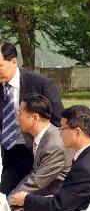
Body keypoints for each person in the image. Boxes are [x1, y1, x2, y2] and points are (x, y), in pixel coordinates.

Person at [0, 41, 64, 194]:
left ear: (13, 61)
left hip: (41, 154)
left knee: (29, 200)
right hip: (11, 152)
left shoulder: (40, 84)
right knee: (5, 201)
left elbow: (59, 121)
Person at [5, 94, 71, 211]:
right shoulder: (43, 137)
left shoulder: (54, 145)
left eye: (20, 113)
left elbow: (36, 182)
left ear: (35, 117)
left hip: (55, 203)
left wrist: (5, 204)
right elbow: (34, 176)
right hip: (41, 195)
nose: (17, 118)